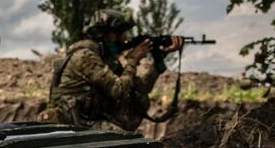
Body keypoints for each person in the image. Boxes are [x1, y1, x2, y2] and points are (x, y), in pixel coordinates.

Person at [43, 8, 183, 132]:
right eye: (123, 34)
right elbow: (119, 90)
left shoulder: (105, 59)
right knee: (124, 144)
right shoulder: (85, 56)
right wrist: (133, 60)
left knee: (140, 100)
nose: (126, 39)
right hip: (71, 122)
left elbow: (140, 88)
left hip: (86, 119)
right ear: (111, 35)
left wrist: (160, 58)